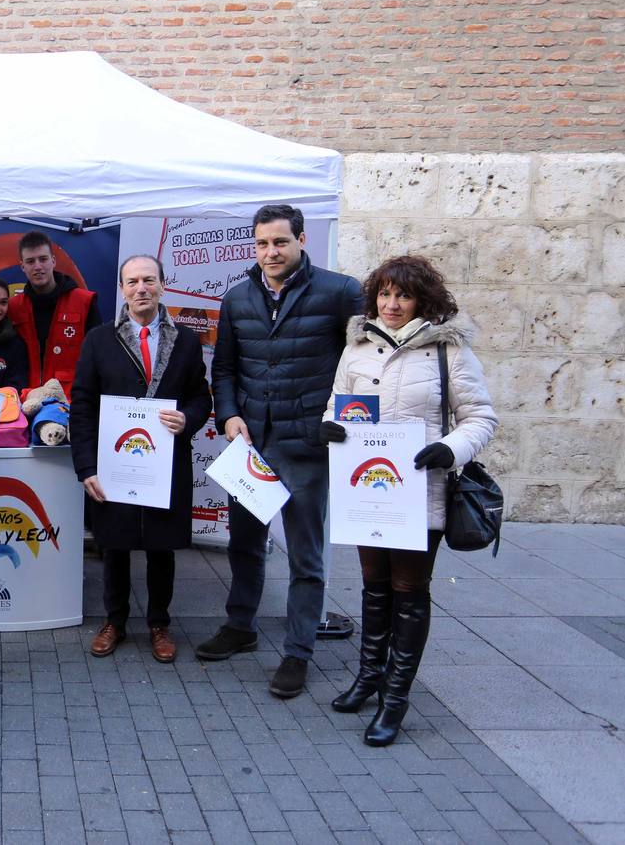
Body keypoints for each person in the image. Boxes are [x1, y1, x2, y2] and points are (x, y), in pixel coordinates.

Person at [323, 255, 496, 746]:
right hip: (367, 489)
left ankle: (395, 700)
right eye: (384, 293)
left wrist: (451, 447)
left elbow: (480, 417)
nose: (391, 304)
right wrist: (330, 426)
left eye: (402, 295)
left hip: (420, 494)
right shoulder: (357, 347)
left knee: (409, 591)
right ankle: (368, 677)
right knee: (373, 586)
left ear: (423, 300)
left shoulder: (449, 352)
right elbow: (337, 401)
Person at [197, 204, 363, 699]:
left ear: (301, 240)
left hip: (308, 445)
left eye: (280, 243)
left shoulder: (341, 292)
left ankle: (298, 651)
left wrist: (341, 426)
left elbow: (361, 366)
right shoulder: (237, 297)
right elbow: (223, 368)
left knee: (306, 557)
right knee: (244, 544)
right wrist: (227, 416)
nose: (271, 252)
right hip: (251, 444)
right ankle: (241, 626)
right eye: (262, 244)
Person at [71, 255, 212, 663]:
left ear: (162, 285)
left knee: (160, 546)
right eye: (132, 282)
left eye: (149, 280)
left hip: (164, 463)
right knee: (113, 545)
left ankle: (159, 623)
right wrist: (86, 467)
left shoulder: (185, 340)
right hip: (113, 462)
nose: (141, 289)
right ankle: (114, 620)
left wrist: (188, 418)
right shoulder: (99, 339)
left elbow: (200, 396)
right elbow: (82, 405)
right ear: (123, 289)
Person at [7, 230, 102, 394]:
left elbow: (98, 358)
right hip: (24, 399)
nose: (38, 266)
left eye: (43, 259)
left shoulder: (84, 302)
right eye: (30, 261)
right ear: (22, 266)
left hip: (69, 401)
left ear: (53, 261)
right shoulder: (13, 307)